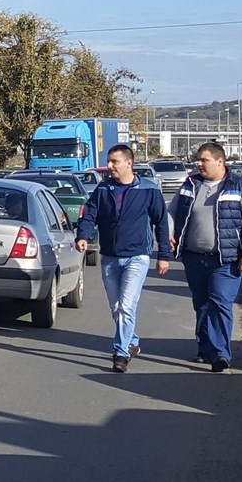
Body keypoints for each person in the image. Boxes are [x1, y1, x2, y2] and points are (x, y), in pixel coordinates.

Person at [75, 144, 172, 373]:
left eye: (114, 162)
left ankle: (120, 353)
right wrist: (83, 236)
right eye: (109, 161)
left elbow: (161, 223)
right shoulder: (104, 189)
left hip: (137, 257)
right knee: (116, 307)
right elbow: (90, 214)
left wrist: (164, 256)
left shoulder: (148, 190)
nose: (109, 167)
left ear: (129, 163)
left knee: (127, 305)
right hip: (110, 257)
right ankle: (132, 341)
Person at [168, 142, 242, 372]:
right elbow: (172, 211)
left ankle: (220, 353)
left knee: (220, 302)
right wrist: (169, 234)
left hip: (226, 259)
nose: (199, 164)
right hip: (194, 258)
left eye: (204, 160)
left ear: (220, 162)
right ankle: (205, 347)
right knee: (201, 304)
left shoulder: (239, 186)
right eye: (198, 160)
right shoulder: (191, 184)